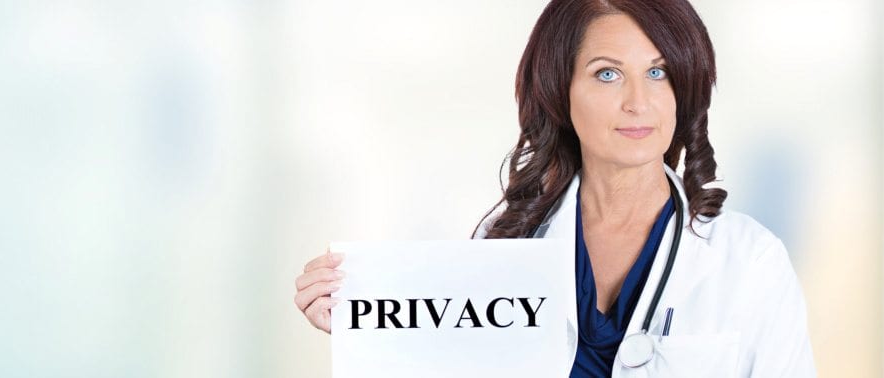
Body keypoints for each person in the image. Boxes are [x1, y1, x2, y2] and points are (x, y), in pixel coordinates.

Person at [294, 0, 816, 376]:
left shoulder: (749, 262)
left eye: (658, 72)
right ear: (560, 90)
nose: (639, 101)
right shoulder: (503, 243)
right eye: (608, 74)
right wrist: (367, 330)